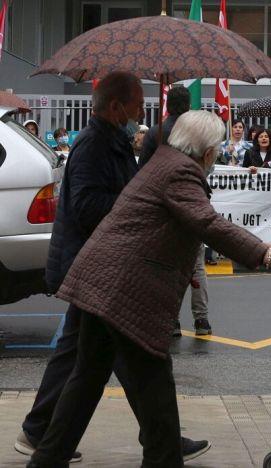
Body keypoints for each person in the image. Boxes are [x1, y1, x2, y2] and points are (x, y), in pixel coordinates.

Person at [26, 110, 271, 468]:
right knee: (155, 392)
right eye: (215, 149)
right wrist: (262, 254)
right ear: (207, 153)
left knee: (86, 380)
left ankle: (46, 460)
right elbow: (206, 222)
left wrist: (263, 246)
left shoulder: (164, 160)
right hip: (126, 292)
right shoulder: (181, 171)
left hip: (99, 281)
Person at [16, 71, 209, 466]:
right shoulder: (92, 146)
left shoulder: (115, 142)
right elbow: (87, 206)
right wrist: (135, 205)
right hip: (93, 266)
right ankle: (160, 441)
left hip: (99, 266)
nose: (142, 109)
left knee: (84, 359)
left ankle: (42, 434)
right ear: (116, 106)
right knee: (122, 360)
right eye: (137, 102)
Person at [137, 97, 212, 338]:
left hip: (163, 205)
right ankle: (202, 320)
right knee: (197, 264)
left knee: (167, 264)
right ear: (188, 106)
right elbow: (207, 166)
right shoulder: (197, 133)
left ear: (168, 105)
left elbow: (143, 170)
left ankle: (172, 321)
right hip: (194, 199)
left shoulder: (156, 133)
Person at [139, 86, 190, 168]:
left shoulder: (153, 132)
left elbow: (143, 165)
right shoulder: (194, 134)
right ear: (188, 106)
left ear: (167, 104)